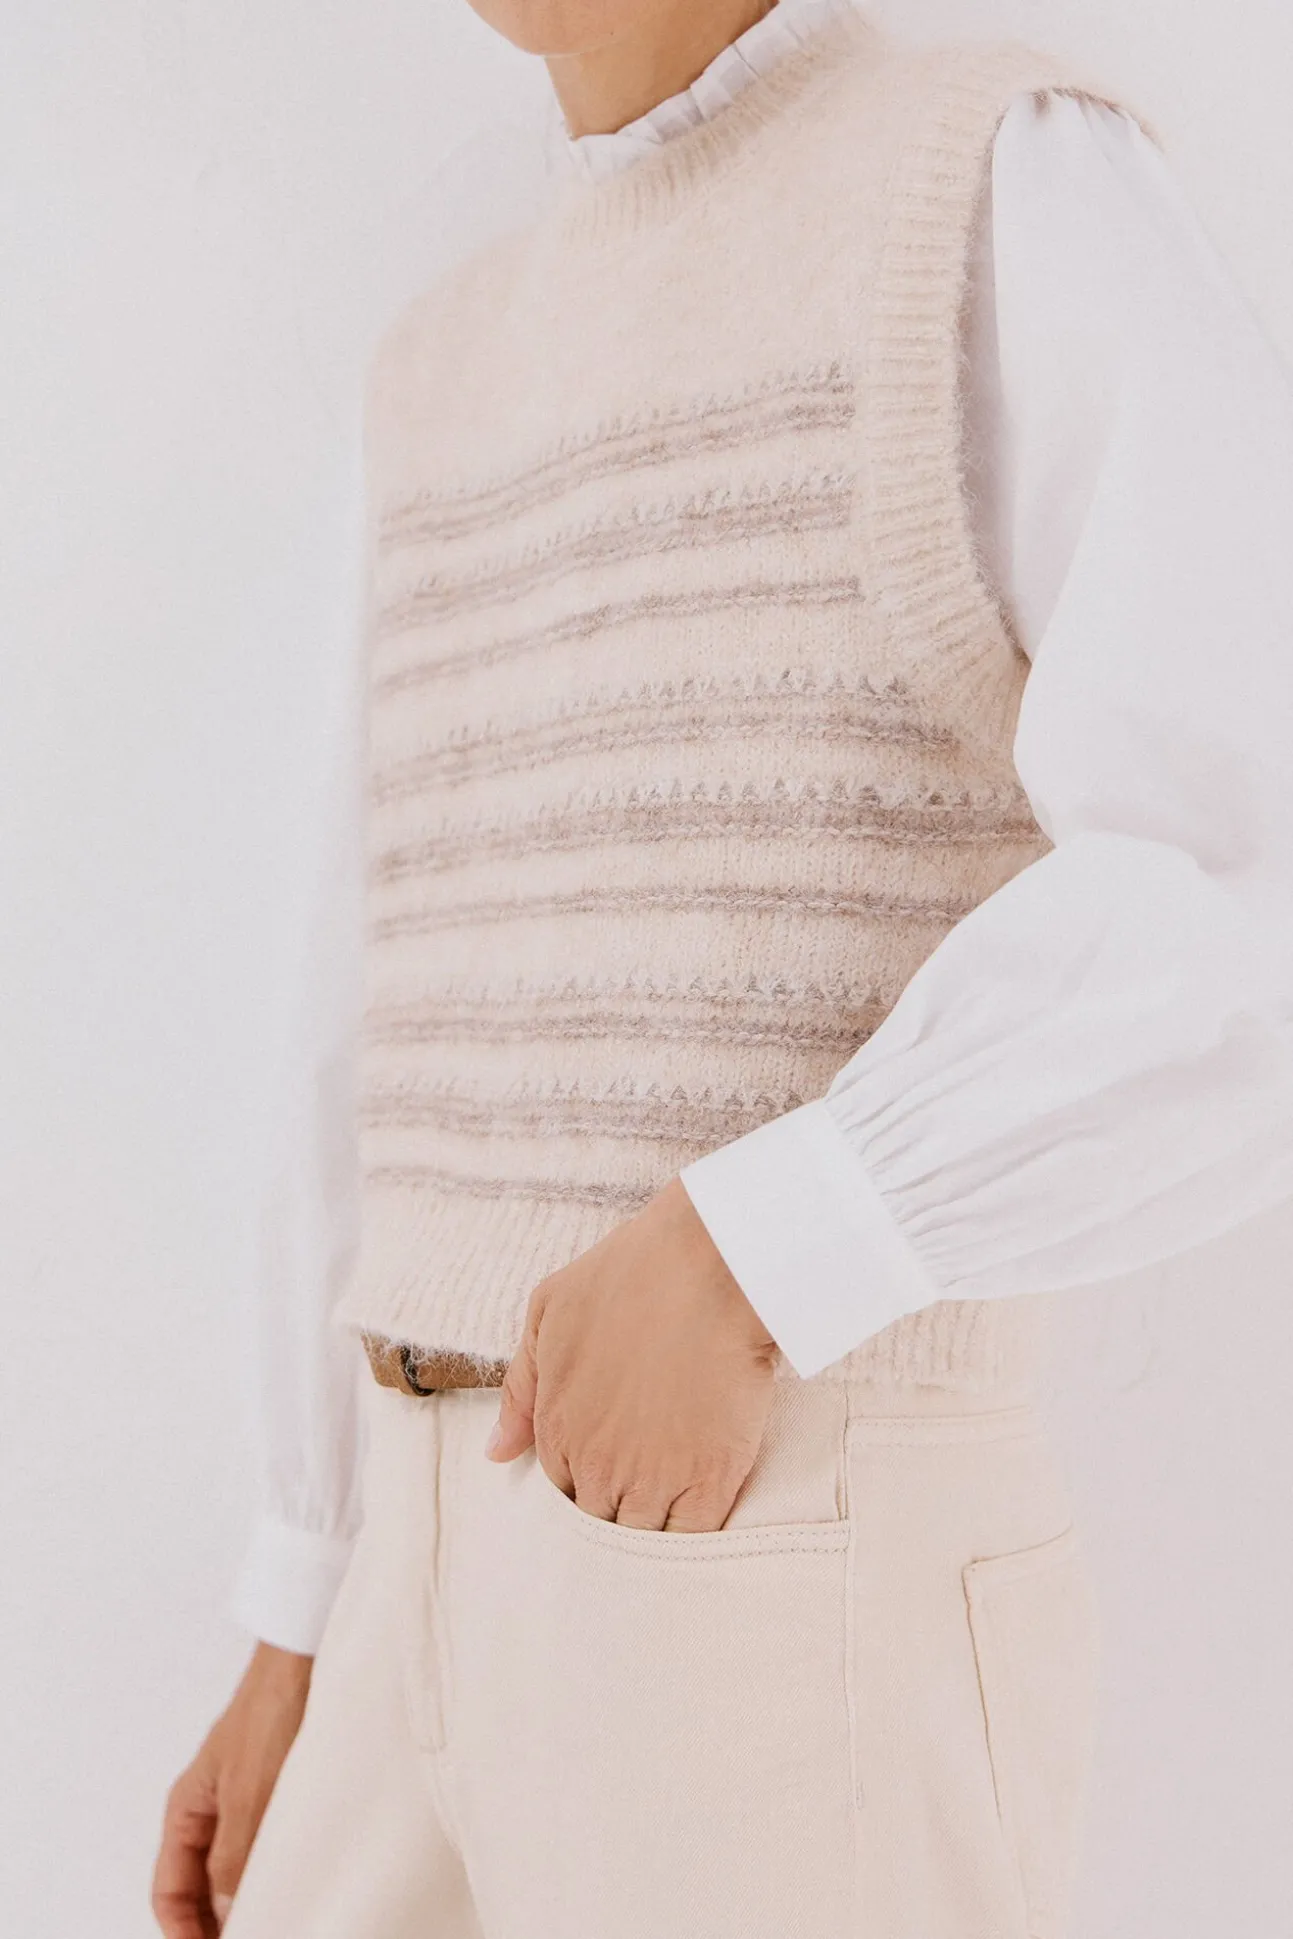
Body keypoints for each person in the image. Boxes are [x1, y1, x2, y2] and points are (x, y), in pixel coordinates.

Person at [152, 2, 1293, 1935]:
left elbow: (1248, 863)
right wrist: (307, 1590)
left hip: (772, 1508)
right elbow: (377, 1014)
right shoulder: (441, 355)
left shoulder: (987, 174)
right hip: (403, 1563)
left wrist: (784, 1237)